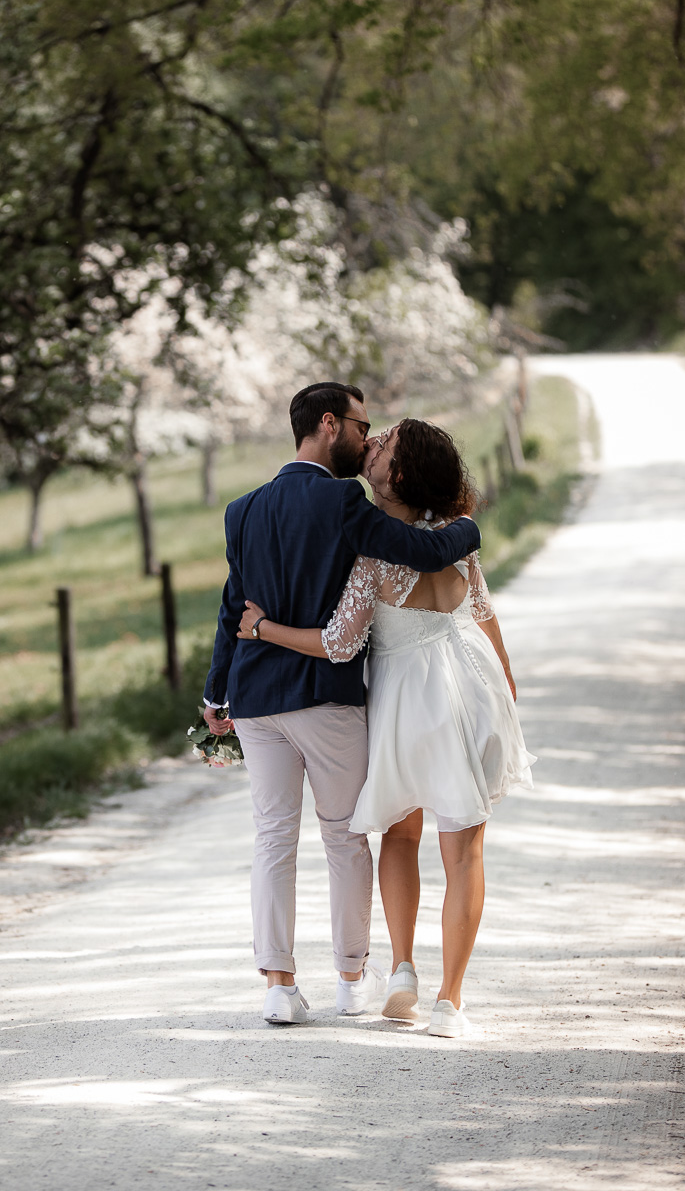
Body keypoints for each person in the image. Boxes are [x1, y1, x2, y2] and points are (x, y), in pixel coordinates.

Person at [237, 418, 534, 1038]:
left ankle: (402, 970)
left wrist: (261, 629)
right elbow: (484, 611)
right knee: (465, 847)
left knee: (400, 837)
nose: (371, 444)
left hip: (406, 698)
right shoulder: (457, 537)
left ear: (395, 475)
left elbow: (340, 644)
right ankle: (451, 1001)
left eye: (384, 442)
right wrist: (507, 686)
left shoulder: (373, 556)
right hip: (468, 684)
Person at [203, 384, 481, 1026]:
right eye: (362, 425)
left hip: (253, 696)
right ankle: (351, 980)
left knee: (272, 837)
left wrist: (216, 692)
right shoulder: (339, 499)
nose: (367, 436)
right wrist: (466, 524)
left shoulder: (241, 510)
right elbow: (422, 550)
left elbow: (231, 607)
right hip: (323, 696)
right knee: (344, 836)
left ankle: (277, 985)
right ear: (330, 425)